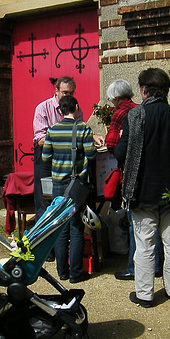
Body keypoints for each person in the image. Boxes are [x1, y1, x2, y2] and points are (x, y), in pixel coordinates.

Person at [114, 68, 170, 307]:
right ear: (167, 90)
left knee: (145, 245)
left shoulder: (135, 116)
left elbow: (120, 153)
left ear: (144, 90)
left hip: (142, 190)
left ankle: (145, 294)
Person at [32, 77, 104, 260]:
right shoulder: (43, 108)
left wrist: (92, 136)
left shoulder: (75, 107)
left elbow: (79, 129)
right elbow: (40, 138)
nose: (68, 96)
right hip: (47, 161)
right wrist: (59, 139)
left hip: (66, 163)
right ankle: (46, 251)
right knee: (45, 206)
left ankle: (64, 259)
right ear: (56, 92)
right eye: (65, 93)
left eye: (71, 93)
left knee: (70, 212)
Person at [104, 79, 164, 281]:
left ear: (116, 98)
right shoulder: (141, 108)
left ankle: (134, 266)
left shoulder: (121, 113)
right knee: (154, 225)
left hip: (131, 173)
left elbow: (113, 144)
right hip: (153, 172)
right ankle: (156, 265)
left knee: (135, 223)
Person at [41, 95, 97, 284]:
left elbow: (46, 157)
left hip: (58, 185)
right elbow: (91, 154)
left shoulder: (52, 130)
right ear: (77, 106)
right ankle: (76, 273)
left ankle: (62, 272)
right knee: (76, 228)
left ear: (59, 110)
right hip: (77, 185)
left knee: (60, 228)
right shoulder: (83, 128)